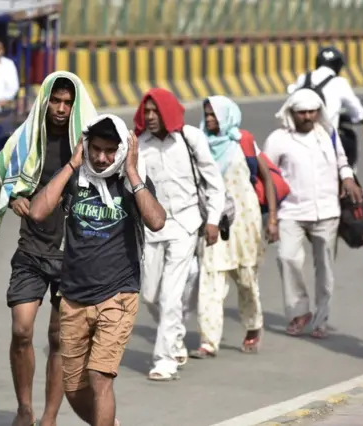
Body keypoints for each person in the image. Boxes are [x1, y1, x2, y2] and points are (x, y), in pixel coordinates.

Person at [29, 114, 166, 426]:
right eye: (96, 150)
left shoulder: (131, 183)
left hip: (117, 295)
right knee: (74, 385)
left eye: (109, 151)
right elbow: (37, 211)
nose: (102, 158)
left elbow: (157, 221)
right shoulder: (76, 180)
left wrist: (131, 171)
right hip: (74, 296)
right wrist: (71, 165)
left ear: (120, 151)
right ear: (86, 147)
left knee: (100, 376)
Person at [0, 71, 97, 426]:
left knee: (59, 338)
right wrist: (14, 196)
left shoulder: (87, 141)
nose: (62, 109)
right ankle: (24, 409)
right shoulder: (28, 135)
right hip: (32, 248)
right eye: (56, 101)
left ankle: (48, 417)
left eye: (68, 102)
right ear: (46, 100)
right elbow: (2, 168)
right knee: (22, 330)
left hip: (72, 253)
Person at [135, 88, 226, 381]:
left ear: (167, 112)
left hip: (185, 225)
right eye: (146, 112)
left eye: (155, 112)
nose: (150, 117)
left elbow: (214, 183)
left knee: (171, 293)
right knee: (149, 295)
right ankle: (174, 337)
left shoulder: (190, 138)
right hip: (151, 229)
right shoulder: (139, 144)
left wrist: (212, 219)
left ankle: (165, 359)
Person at [264, 88, 362, 339]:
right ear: (292, 113)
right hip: (291, 211)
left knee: (325, 268)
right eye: (302, 113)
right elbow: (267, 176)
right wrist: (271, 217)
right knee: (287, 258)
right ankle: (299, 312)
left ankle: (321, 319)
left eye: (312, 112)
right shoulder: (278, 139)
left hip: (327, 211)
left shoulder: (327, 133)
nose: (308, 117)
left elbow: (342, 161)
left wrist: (348, 178)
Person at [189, 96, 278, 359]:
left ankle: (253, 326)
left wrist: (272, 217)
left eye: (214, 115)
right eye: (206, 115)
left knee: (247, 280)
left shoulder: (245, 141)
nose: (209, 120)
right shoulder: (199, 144)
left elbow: (267, 179)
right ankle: (208, 341)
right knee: (210, 280)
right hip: (214, 222)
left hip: (246, 224)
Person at [287, 47, 363, 131]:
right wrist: (361, 118)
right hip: (325, 136)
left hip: (299, 133)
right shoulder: (340, 82)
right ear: (338, 65)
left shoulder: (303, 78)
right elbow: (358, 112)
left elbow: (291, 93)